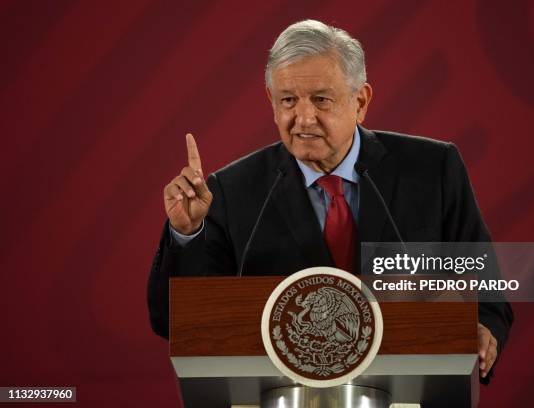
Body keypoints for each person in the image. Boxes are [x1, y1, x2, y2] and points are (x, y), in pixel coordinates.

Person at [147, 19, 513, 384]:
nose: (303, 118)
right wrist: (186, 233)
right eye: (288, 100)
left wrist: (483, 330)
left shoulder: (432, 169)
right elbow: (174, 322)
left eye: (321, 99)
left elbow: (487, 291)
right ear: (272, 104)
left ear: (361, 101)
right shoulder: (231, 191)